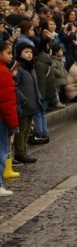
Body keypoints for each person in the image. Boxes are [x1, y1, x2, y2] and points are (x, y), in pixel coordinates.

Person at [13, 42, 41, 165]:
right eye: (26, 52)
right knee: (22, 129)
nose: (29, 54)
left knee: (27, 129)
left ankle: (24, 150)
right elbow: (15, 86)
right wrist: (23, 99)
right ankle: (20, 153)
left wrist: (38, 97)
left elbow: (35, 85)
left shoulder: (31, 67)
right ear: (19, 53)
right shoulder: (18, 68)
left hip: (32, 103)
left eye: (30, 52)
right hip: (23, 104)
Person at [1, 41, 21, 192]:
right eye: (8, 53)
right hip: (2, 119)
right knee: (1, 150)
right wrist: (13, 124)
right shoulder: (3, 72)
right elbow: (6, 100)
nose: (11, 56)